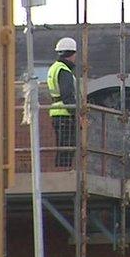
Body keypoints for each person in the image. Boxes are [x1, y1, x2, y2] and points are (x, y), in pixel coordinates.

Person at [47, 37, 77, 167]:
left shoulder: (54, 68)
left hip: (56, 112)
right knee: (67, 147)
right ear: (72, 54)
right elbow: (67, 95)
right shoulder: (64, 70)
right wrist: (76, 115)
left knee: (62, 147)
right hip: (65, 114)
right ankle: (65, 172)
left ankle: (62, 170)